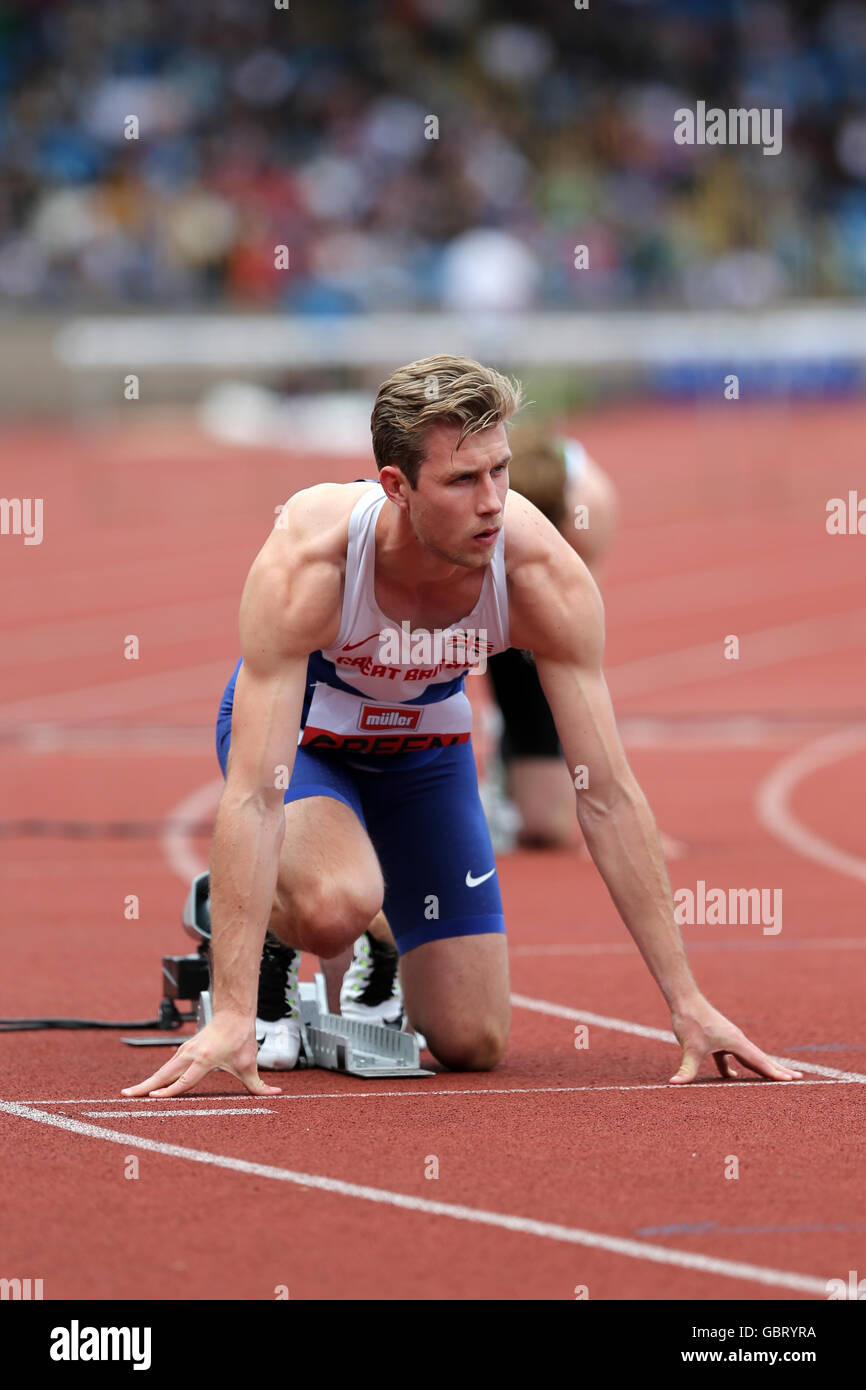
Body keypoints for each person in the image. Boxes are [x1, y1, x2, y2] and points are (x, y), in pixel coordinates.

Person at [123, 354, 801, 1099]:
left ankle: (362, 920)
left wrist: (688, 1003)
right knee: (331, 906)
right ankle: (256, 921)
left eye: (499, 471)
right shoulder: (312, 559)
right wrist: (234, 1015)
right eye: (461, 480)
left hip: (426, 754)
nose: (491, 502)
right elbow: (254, 794)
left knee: (472, 1040)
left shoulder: (540, 573)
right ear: (396, 488)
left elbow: (606, 793)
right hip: (307, 747)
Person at [485, 422, 617, 849]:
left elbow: (574, 624)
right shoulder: (478, 499)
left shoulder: (590, 507)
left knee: (542, 829)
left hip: (535, 598)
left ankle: (512, 753)